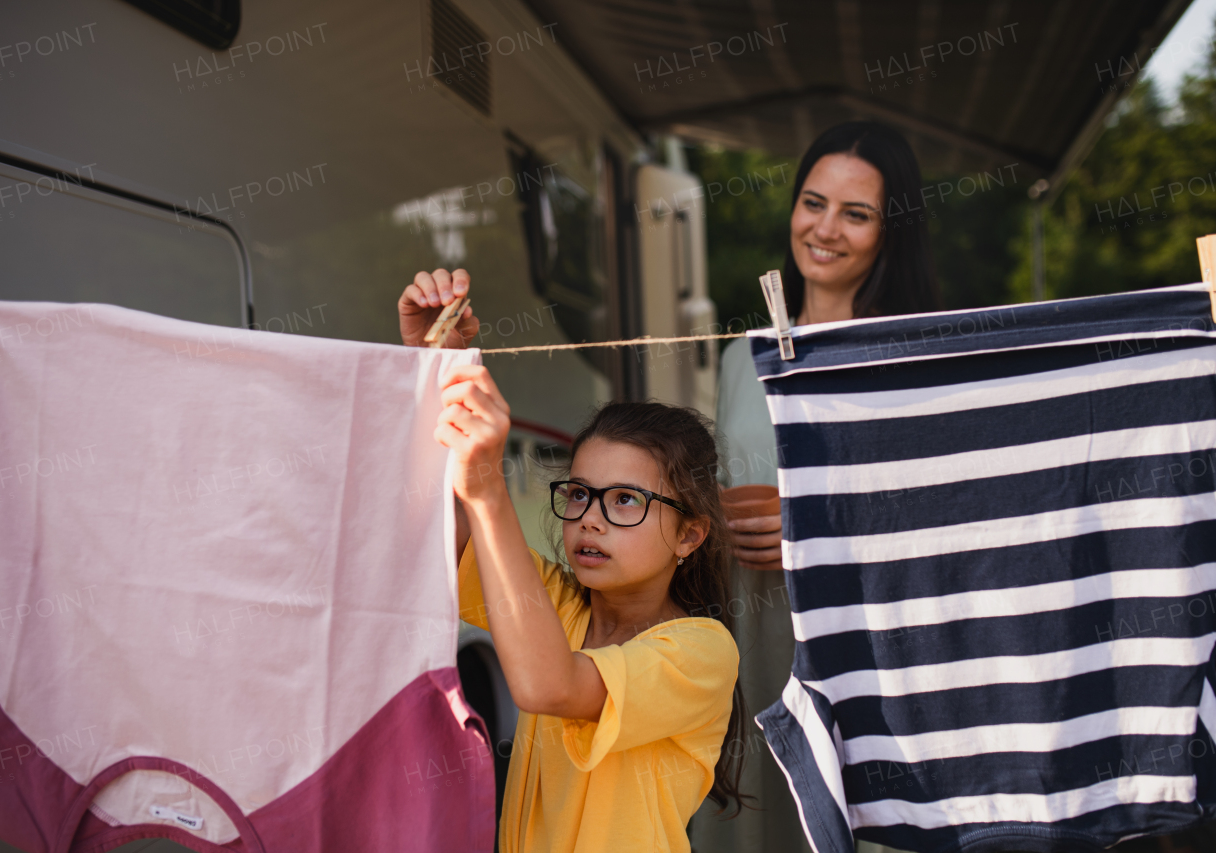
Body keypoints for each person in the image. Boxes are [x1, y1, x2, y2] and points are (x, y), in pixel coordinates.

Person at [398, 269, 754, 853]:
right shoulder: (560, 605)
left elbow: (549, 686)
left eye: (625, 501)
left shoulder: (702, 653)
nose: (590, 517)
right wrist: (436, 369)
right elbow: (450, 536)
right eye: (581, 493)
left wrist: (489, 484)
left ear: (690, 535)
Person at [690, 121, 942, 853]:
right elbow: (731, 477)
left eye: (856, 213)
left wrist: (816, 526)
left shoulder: (907, 361)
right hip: (752, 646)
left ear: (891, 233)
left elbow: (943, 520)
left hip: (864, 665)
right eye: (813, 202)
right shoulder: (744, 355)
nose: (825, 228)